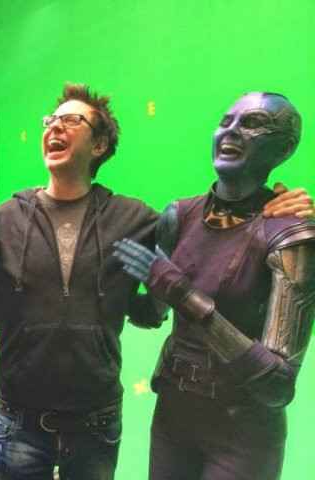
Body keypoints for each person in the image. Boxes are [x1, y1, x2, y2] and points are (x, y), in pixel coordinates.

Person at [0, 83, 313, 480]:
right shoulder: (11, 215)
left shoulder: (138, 219)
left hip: (120, 422)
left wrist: (286, 202)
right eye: (51, 120)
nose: (55, 127)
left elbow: (273, 382)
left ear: (99, 145)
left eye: (71, 120)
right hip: (42, 419)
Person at [115, 92, 315, 479]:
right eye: (225, 122)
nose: (232, 131)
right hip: (173, 413)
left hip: (244, 430)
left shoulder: (290, 235)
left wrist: (181, 293)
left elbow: (276, 384)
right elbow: (152, 313)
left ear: (285, 148)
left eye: (253, 123)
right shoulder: (179, 215)